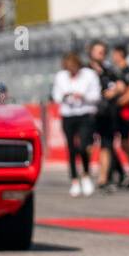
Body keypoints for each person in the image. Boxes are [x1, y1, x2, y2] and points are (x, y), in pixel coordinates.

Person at [52, 52, 100, 198]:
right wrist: (65, 96)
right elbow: (56, 96)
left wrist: (83, 96)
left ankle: (86, 175)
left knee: (84, 146)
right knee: (71, 148)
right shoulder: (60, 77)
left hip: (85, 114)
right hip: (68, 115)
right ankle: (74, 180)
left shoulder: (89, 75)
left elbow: (96, 96)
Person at [87, 41, 123, 192]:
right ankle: (85, 174)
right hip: (89, 112)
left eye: (103, 51)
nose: (101, 54)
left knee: (106, 145)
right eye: (98, 51)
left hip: (107, 112)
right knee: (87, 144)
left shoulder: (109, 70)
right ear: (91, 52)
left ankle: (103, 178)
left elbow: (120, 85)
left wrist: (114, 92)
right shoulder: (85, 70)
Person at [109, 44, 129, 188]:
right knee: (112, 142)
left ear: (120, 54)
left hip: (125, 112)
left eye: (115, 54)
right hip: (118, 112)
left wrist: (116, 102)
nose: (113, 57)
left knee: (125, 143)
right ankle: (121, 172)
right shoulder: (116, 71)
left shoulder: (127, 71)